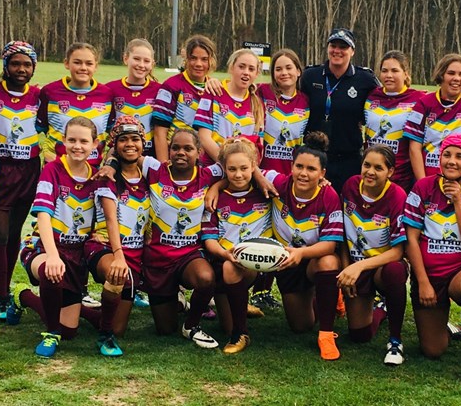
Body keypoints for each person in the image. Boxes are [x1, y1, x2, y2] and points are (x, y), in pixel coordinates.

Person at [403, 134, 461, 385]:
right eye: (447, 154)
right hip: (429, 276)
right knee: (432, 351)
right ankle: (448, 326)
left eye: (459, 156)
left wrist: (458, 202)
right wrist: (422, 281)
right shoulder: (422, 187)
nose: (451, 161)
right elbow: (410, 239)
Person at [16, 117, 109, 357]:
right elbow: (43, 217)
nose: (77, 146)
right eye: (72, 140)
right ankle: (51, 334)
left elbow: (100, 215)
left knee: (71, 331)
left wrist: (97, 234)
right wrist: (53, 255)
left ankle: (25, 296)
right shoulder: (52, 170)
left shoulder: (97, 177)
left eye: (84, 141)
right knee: (50, 269)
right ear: (63, 141)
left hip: (76, 254)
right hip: (44, 246)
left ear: (95, 144)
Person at [139, 129, 224, 348]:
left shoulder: (208, 175)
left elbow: (239, 166)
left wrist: (218, 186)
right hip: (157, 259)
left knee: (206, 277)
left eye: (188, 148)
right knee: (165, 330)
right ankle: (175, 297)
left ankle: (192, 324)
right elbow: (123, 153)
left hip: (189, 255)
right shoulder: (154, 169)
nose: (181, 152)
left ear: (199, 152)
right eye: (175, 147)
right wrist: (110, 164)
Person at [263, 132, 344, 360]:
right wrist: (218, 188)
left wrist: (301, 253)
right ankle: (327, 294)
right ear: (292, 166)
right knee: (300, 326)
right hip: (287, 263)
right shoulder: (278, 182)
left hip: (311, 259)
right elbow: (247, 168)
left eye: (311, 169)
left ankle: (326, 334)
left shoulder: (329, 196)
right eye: (299, 166)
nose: (304, 174)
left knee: (328, 262)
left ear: (322, 174)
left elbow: (329, 245)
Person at [84, 116, 153, 356]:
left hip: (136, 251)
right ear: (115, 145)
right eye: (123, 140)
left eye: (135, 139)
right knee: (120, 274)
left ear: (144, 143)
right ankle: (105, 338)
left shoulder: (151, 175)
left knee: (119, 326)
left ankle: (76, 307)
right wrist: (118, 255)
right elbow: (111, 220)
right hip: (104, 245)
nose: (130, 144)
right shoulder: (108, 176)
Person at [0, 41, 42, 320]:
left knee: (15, 233)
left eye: (27, 64)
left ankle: (3, 289)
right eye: (15, 63)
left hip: (29, 170)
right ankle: (2, 295)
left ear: (34, 68)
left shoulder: (40, 97)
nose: (21, 69)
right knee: (0, 233)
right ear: (5, 66)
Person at [338, 145, 408, 365]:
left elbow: (398, 251)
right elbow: (340, 234)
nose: (370, 171)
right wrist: (346, 268)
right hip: (355, 266)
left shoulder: (397, 195)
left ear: (390, 172)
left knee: (395, 271)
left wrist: (359, 267)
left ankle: (395, 340)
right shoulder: (350, 186)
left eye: (378, 168)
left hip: (381, 266)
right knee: (359, 336)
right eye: (367, 165)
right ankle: (381, 310)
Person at [202, 138, 272, 353]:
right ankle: (239, 309)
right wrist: (225, 253)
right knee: (225, 324)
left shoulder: (267, 190)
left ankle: (240, 335)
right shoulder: (214, 198)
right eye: (232, 169)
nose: (238, 174)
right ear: (224, 169)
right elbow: (209, 241)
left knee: (302, 325)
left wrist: (322, 182)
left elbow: (300, 181)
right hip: (223, 261)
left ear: (254, 166)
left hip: (257, 264)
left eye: (244, 168)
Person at [252, 48, 309, 310]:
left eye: (289, 67)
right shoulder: (262, 94)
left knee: (284, 231)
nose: (283, 73)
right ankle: (258, 290)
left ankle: (278, 286)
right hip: (263, 175)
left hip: (293, 179)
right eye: (278, 68)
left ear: (299, 70)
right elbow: (237, 85)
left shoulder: (307, 101)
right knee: (263, 230)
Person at [300, 28, 378, 192]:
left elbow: (385, 99)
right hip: (313, 156)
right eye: (333, 45)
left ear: (352, 51)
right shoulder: (310, 75)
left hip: (348, 159)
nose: (337, 51)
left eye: (343, 47)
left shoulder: (365, 79)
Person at [405, 53, 461, 181]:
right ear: (441, 75)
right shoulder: (424, 103)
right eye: (451, 73)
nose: (457, 78)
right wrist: (423, 183)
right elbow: (414, 148)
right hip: (429, 179)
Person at [37, 42, 113, 166]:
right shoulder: (50, 92)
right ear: (67, 63)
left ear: (96, 66)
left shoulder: (106, 94)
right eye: (77, 62)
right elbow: (41, 129)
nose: (83, 67)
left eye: (89, 63)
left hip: (93, 170)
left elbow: (111, 132)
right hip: (56, 168)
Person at [363, 51, 423, 192]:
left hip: (402, 177)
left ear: (406, 73)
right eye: (384, 71)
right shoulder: (371, 95)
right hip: (371, 174)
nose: (389, 75)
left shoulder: (419, 98)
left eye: (395, 70)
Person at [153, 35, 218, 161]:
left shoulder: (215, 87)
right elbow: (160, 132)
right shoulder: (171, 86)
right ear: (186, 58)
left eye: (204, 59)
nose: (198, 64)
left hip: (204, 161)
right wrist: (164, 167)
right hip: (177, 160)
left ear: (211, 60)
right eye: (193, 58)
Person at [194, 48, 265, 165]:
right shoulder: (213, 92)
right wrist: (229, 165)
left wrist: (242, 168)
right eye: (241, 67)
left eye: (251, 69)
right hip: (213, 168)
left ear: (256, 74)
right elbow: (204, 138)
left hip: (242, 174)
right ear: (231, 68)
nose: (246, 72)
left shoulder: (257, 103)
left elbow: (258, 146)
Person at [106, 38, 163, 155]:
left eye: (146, 61)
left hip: (151, 156)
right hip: (120, 156)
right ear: (126, 59)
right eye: (136, 59)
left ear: (152, 64)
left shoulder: (160, 90)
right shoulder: (110, 89)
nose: (141, 65)